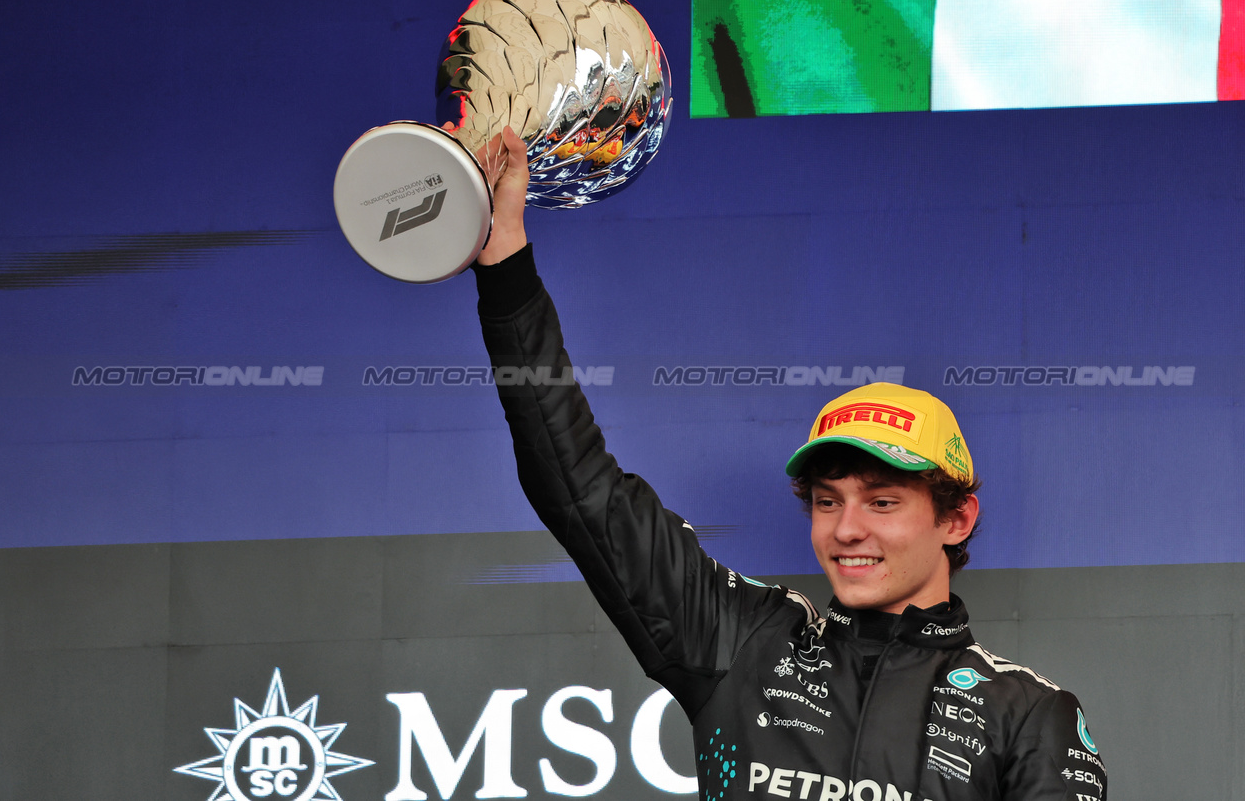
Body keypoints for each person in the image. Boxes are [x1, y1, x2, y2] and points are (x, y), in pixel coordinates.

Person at [470, 127, 1107, 801]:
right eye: (827, 500)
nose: (846, 527)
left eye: (881, 501)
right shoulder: (744, 641)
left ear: (955, 518)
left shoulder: (1028, 717)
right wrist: (505, 263)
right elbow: (578, 485)